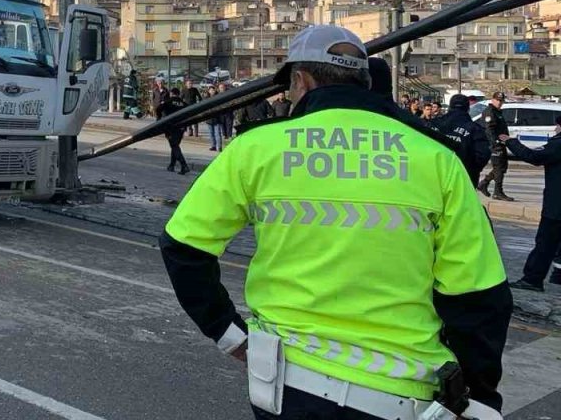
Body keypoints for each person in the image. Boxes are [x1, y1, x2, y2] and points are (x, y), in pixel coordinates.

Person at [160, 25, 510, 419]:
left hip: (288, 383)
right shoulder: (436, 158)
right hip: (404, 393)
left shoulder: (256, 148)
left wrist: (229, 335)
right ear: (363, 80)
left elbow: (183, 246)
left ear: (301, 80)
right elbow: (480, 295)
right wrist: (478, 396)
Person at [500, 117, 561, 292]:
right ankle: (557, 279)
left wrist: (511, 142)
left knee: (545, 244)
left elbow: (534, 156)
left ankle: (532, 280)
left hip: (556, 208)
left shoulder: (558, 144)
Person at [431, 94, 493, 186]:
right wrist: (472, 171)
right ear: (468, 109)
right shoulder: (475, 129)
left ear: (450, 107)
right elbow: (483, 154)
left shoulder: (434, 125)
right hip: (464, 178)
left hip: (436, 176)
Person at [479, 92, 514, 201]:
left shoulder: (497, 112)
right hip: (495, 145)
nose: (499, 102)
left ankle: (484, 183)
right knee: (499, 168)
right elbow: (489, 130)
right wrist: (495, 144)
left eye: (501, 101)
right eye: (497, 100)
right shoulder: (490, 112)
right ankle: (498, 192)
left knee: (501, 167)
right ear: (493, 99)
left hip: (501, 143)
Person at [158, 88, 189, 174]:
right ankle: (172, 165)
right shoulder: (184, 103)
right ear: (178, 94)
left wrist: (159, 119)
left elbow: (158, 108)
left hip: (170, 127)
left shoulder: (168, 101)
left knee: (174, 146)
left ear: (171, 93)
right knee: (175, 146)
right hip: (181, 128)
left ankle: (184, 165)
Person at [204, 87, 224, 152]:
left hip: (217, 119)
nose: (212, 91)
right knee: (211, 133)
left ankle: (220, 146)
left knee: (217, 133)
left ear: (215, 90)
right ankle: (213, 146)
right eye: (211, 90)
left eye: (213, 90)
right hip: (209, 119)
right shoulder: (206, 99)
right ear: (209, 91)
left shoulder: (218, 97)